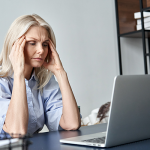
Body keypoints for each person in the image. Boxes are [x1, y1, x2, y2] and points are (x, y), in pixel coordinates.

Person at [0, 14, 81, 138]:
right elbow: (16, 131)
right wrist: (19, 74)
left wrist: (60, 73)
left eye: (45, 44)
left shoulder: (43, 81)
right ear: (14, 45)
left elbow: (71, 124)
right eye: (32, 43)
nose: (41, 50)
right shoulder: (2, 82)